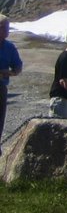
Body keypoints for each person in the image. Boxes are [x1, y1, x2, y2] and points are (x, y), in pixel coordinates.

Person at [0, 14, 24, 153]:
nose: (7, 31)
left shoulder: (9, 47)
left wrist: (13, 71)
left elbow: (18, 65)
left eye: (8, 27)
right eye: (3, 27)